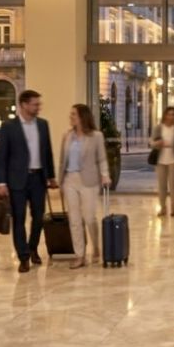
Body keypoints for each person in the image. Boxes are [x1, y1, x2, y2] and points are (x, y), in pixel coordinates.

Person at [0, 89, 57, 273]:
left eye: (39, 104)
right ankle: (23, 257)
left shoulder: (43, 125)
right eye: (35, 104)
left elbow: (47, 152)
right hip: (17, 180)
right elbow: (2, 157)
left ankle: (32, 248)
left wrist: (51, 176)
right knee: (19, 219)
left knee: (39, 218)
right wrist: (1, 183)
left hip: (38, 178)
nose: (38, 107)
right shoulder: (9, 127)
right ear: (23, 105)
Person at [58, 104, 110, 269]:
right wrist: (60, 181)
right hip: (70, 180)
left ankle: (96, 246)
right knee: (74, 219)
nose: (71, 117)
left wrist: (105, 175)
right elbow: (62, 160)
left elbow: (102, 158)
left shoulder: (96, 136)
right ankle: (79, 255)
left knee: (89, 217)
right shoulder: (67, 136)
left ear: (82, 117)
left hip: (89, 180)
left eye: (74, 114)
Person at [151, 106, 174, 217]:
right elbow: (152, 142)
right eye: (169, 114)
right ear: (165, 115)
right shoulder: (158, 128)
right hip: (160, 159)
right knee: (162, 186)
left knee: (172, 185)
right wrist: (157, 143)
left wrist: (173, 145)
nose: (171, 117)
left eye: (173, 115)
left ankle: (173, 209)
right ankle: (163, 208)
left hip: (173, 159)